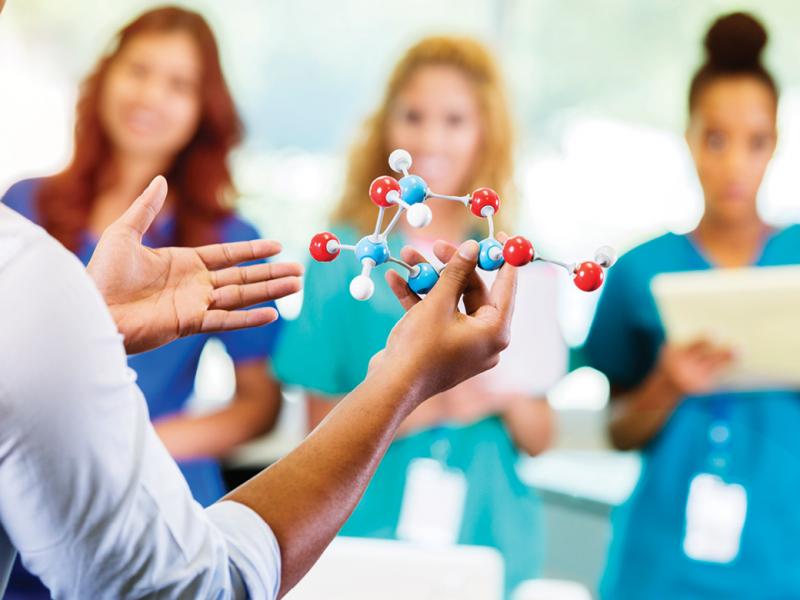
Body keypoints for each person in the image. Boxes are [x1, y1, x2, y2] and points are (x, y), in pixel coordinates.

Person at [0, 173, 517, 598]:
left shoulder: (27, 279)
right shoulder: (23, 271)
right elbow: (185, 590)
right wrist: (401, 381)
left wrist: (83, 331)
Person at [274, 36, 566, 595]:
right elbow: (319, 432)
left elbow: (539, 435)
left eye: (454, 120)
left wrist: (490, 388)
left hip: (492, 542)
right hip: (365, 544)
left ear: (485, 133)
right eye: (414, 116)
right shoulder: (344, 258)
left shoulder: (517, 260)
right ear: (387, 126)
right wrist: (444, 394)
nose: (431, 138)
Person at [2, 6, 280, 510]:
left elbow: (259, 406)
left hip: (156, 496)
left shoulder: (227, 240)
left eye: (178, 84)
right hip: (24, 485)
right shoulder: (23, 206)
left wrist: (136, 448)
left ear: (203, 108)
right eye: (139, 70)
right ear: (106, 76)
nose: (151, 95)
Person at [584, 13, 800, 599]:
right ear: (688, 137)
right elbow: (618, 430)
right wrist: (666, 385)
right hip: (656, 570)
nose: (734, 165)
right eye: (715, 139)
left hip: (782, 567)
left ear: (775, 143)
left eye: (755, 142)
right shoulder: (638, 273)